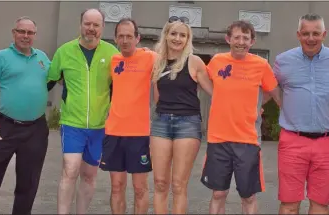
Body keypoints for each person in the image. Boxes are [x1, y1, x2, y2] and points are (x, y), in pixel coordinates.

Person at [0, 17, 50, 215]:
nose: (26, 36)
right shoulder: (1, 57)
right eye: (21, 31)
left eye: (30, 33)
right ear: (14, 33)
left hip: (36, 130)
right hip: (4, 128)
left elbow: (56, 78)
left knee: (28, 183)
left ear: (35, 35)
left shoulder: (42, 58)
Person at [272, 13, 329, 214]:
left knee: (320, 204)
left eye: (316, 33)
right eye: (306, 33)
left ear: (324, 34)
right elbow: (267, 89)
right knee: (289, 204)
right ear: (298, 34)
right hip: (292, 141)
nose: (311, 38)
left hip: (327, 142)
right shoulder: (283, 61)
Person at [200, 20, 281, 214]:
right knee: (218, 194)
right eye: (237, 37)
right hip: (218, 139)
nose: (241, 42)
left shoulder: (261, 65)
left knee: (248, 196)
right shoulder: (217, 61)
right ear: (228, 39)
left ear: (252, 41)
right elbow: (202, 78)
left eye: (246, 38)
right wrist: (217, 96)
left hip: (247, 141)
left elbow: (273, 91)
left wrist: (255, 105)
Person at [47, 8, 119, 214]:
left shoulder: (112, 54)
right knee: (70, 170)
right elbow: (48, 82)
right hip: (72, 124)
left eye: (96, 25)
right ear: (81, 25)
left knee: (89, 175)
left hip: (99, 127)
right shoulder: (64, 51)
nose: (91, 29)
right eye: (87, 24)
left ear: (102, 27)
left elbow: (120, 88)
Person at [150, 15, 213, 214]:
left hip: (188, 124)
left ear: (188, 39)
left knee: (178, 184)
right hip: (161, 123)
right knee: (160, 183)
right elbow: (157, 98)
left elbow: (216, 93)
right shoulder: (157, 63)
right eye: (174, 33)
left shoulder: (194, 62)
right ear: (166, 35)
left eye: (183, 35)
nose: (178, 38)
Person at [98, 18, 156, 214]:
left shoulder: (151, 58)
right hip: (114, 132)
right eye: (121, 36)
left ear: (137, 38)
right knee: (116, 187)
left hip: (139, 134)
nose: (125, 40)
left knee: (140, 189)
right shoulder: (113, 61)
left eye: (129, 36)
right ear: (115, 39)